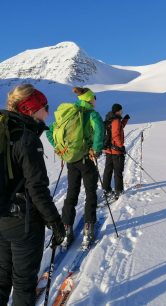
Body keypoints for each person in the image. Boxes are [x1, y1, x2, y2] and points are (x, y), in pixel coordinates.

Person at [0, 84, 65, 306]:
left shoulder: (4, 130)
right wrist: (55, 223)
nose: (47, 112)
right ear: (30, 108)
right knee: (23, 283)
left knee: (1, 280)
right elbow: (36, 188)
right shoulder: (27, 139)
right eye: (45, 107)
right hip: (23, 223)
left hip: (1, 217)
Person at [46, 87, 104, 247]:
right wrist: (97, 150)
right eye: (94, 98)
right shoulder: (91, 114)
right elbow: (99, 131)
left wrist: (61, 149)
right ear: (89, 99)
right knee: (91, 192)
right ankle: (88, 227)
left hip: (71, 160)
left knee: (71, 193)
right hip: (86, 158)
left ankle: (66, 228)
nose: (95, 101)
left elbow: (50, 132)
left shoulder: (68, 113)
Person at [102, 103, 130, 200]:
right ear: (117, 111)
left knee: (108, 170)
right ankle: (119, 191)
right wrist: (120, 146)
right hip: (116, 150)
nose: (122, 111)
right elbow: (116, 135)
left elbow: (118, 127)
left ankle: (106, 189)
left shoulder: (110, 118)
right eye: (121, 110)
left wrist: (125, 120)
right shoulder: (116, 120)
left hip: (108, 149)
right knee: (118, 171)